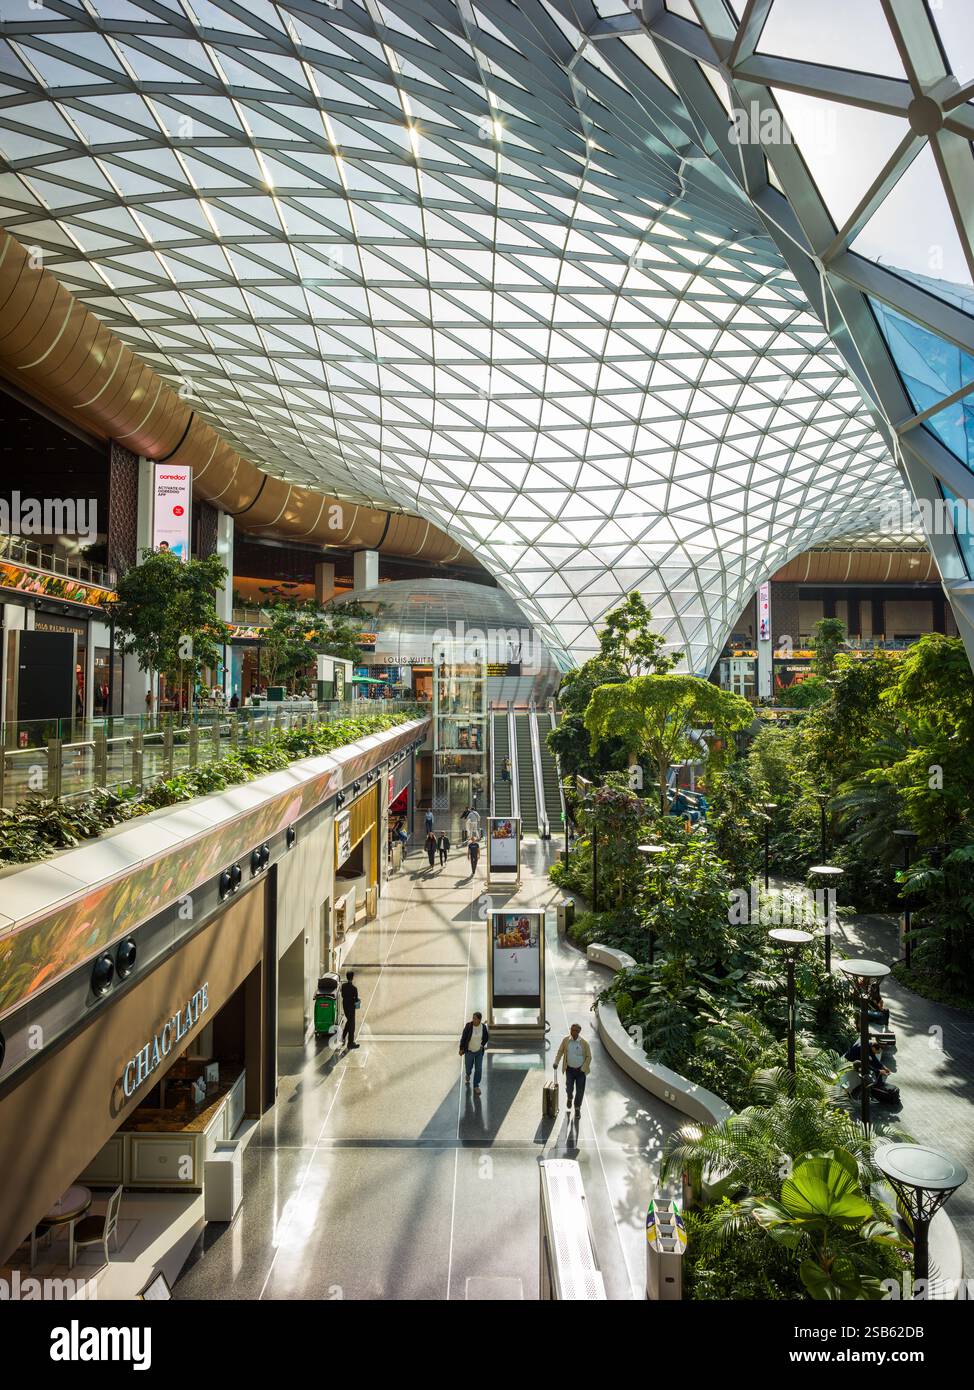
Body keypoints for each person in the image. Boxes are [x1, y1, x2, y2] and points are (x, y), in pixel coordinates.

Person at [553, 1023, 592, 1117]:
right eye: (571, 1029)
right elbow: (560, 1051)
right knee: (569, 1087)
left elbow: (589, 1057)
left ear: (579, 1031)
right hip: (569, 1070)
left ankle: (577, 1108)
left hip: (580, 1071)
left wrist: (583, 1069)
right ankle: (569, 1097)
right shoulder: (566, 1040)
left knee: (580, 1091)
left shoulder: (584, 1043)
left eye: (575, 1030)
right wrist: (556, 1062)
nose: (572, 1032)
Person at [458, 1010, 489, 1095]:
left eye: (475, 1018)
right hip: (469, 1051)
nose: (473, 1020)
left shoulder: (483, 1027)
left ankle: (476, 1085)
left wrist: (482, 1045)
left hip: (479, 1052)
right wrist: (461, 1048)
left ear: (479, 1020)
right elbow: (463, 1038)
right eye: (473, 1018)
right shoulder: (468, 1026)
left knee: (478, 1069)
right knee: (468, 1067)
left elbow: (486, 1037)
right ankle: (468, 1074)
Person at [340, 970, 360, 1050]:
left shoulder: (343, 986)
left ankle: (343, 1037)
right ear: (352, 978)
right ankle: (350, 1043)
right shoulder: (354, 988)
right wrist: (357, 1000)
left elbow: (342, 995)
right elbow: (356, 1000)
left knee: (349, 1022)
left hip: (345, 1006)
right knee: (352, 1025)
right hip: (351, 1008)